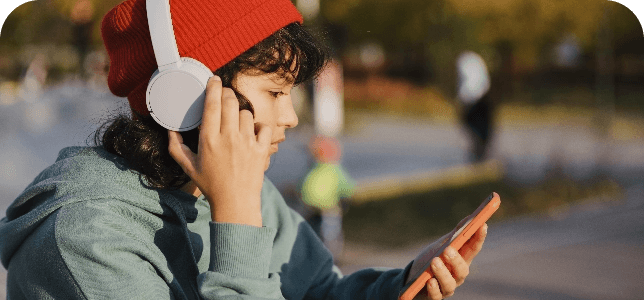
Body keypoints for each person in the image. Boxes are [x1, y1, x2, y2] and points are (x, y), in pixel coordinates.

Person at [0, 0, 488, 299]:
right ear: (186, 98)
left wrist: (400, 287)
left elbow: (318, 293)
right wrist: (235, 218)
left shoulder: (242, 191)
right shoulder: (84, 240)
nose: (292, 117)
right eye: (276, 92)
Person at [299, 134, 355, 257]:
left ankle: (332, 256)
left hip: (329, 209)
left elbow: (346, 185)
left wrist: (344, 198)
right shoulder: (313, 168)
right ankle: (314, 254)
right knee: (311, 232)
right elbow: (304, 182)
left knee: (330, 233)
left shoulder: (334, 169)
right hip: (310, 208)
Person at [456, 51, 494, 163]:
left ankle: (479, 155)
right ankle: (480, 155)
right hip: (481, 98)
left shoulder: (465, 60)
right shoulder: (475, 60)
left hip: (472, 100)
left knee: (476, 131)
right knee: (480, 131)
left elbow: (467, 82)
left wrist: (462, 98)